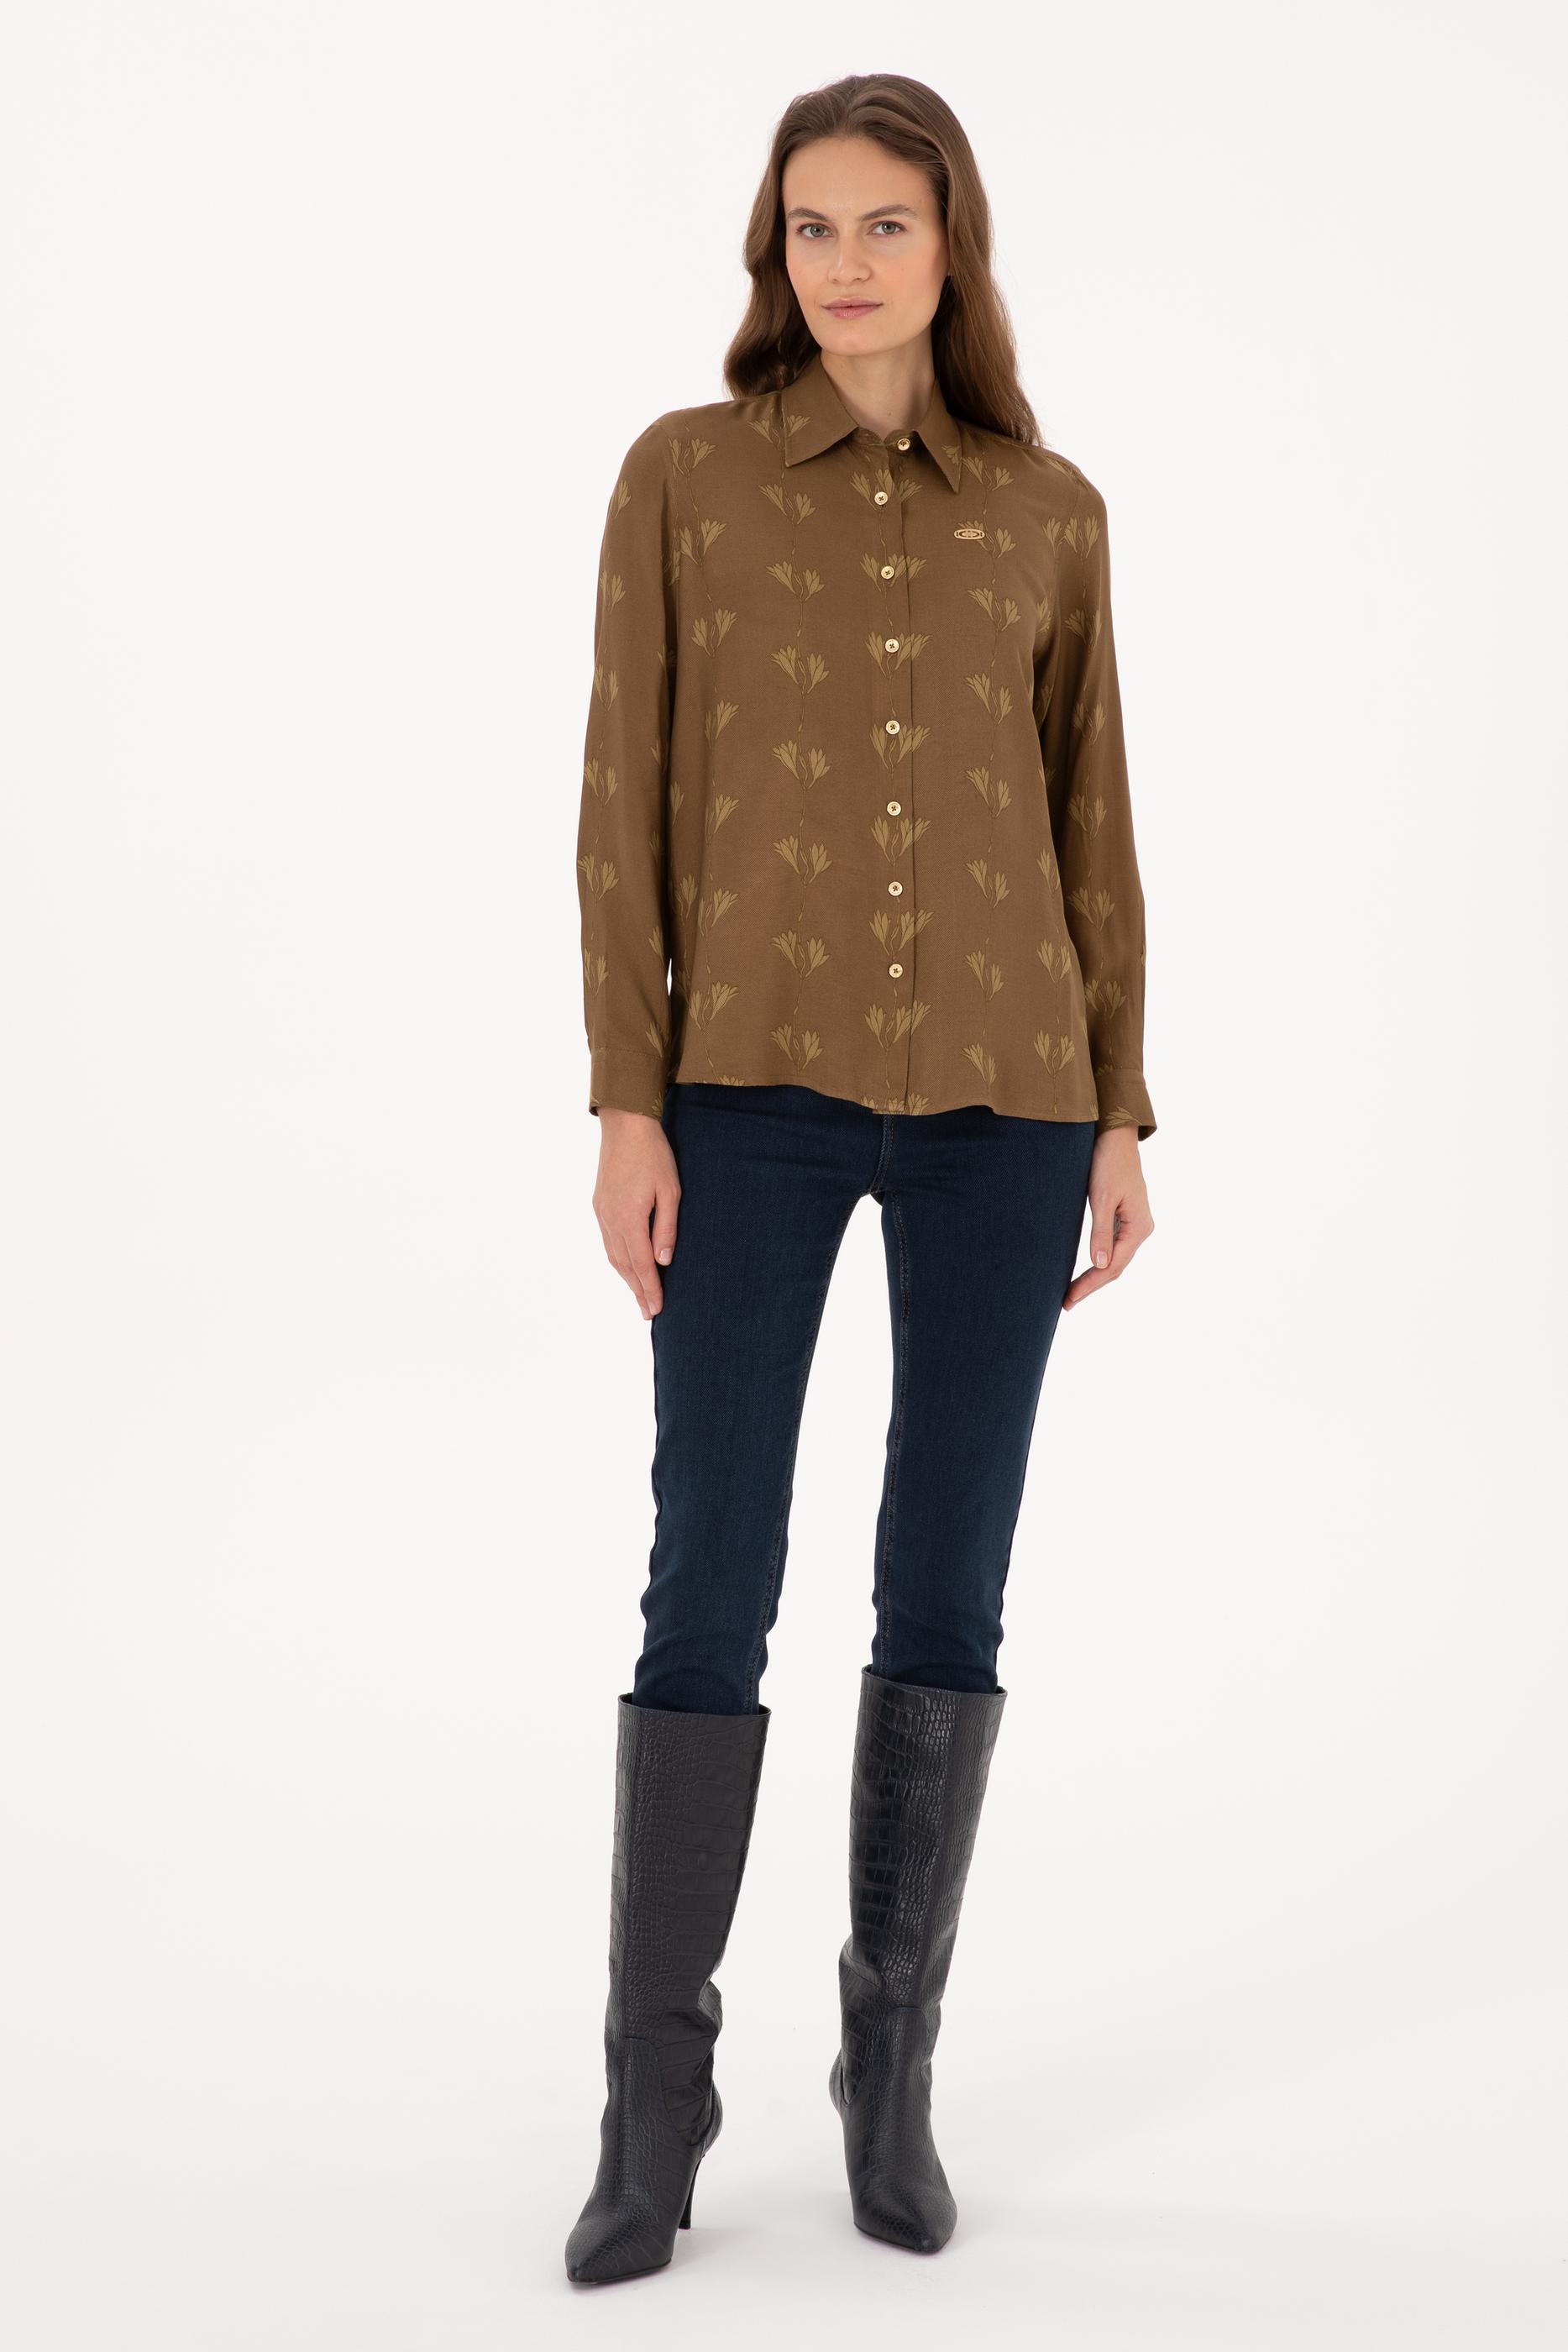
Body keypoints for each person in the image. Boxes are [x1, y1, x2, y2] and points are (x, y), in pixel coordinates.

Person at [564, 71, 1157, 2285]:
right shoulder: (685, 480)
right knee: (707, 1571)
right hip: (748, 1093)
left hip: (1010, 1099)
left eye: (883, 225)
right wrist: (627, 1099)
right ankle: (655, 2103)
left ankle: (884, 2078)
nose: (843, 263)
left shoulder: (1047, 512)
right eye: (809, 226)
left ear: (948, 246)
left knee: (949, 1583)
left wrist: (1120, 1106)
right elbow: (620, 799)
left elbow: (1092, 811)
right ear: (773, 251)